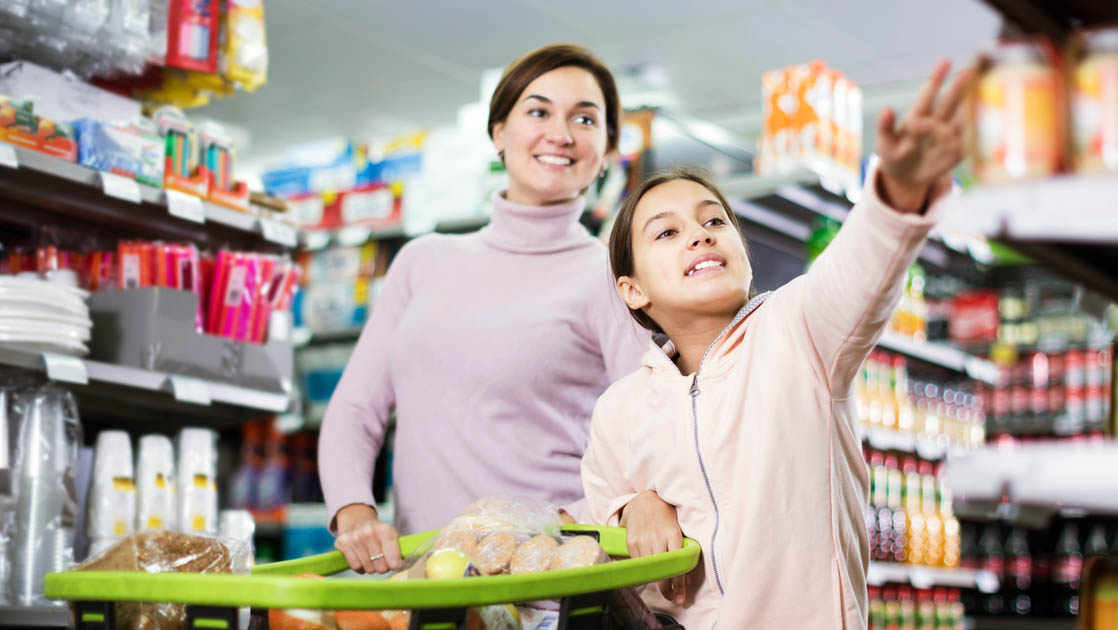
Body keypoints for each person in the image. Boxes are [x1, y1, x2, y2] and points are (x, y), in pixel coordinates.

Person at [581, 61, 971, 628]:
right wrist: (631, 506)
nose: (699, 233)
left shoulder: (802, 331)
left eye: (714, 220)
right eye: (666, 232)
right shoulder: (618, 411)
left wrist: (897, 195)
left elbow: (860, 268)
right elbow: (602, 525)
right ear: (632, 289)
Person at [319, 43, 647, 574]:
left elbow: (653, 439)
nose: (560, 134)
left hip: (541, 587)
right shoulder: (422, 261)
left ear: (607, 148)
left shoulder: (613, 276)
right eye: (538, 111)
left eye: (585, 118)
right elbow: (357, 409)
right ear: (499, 131)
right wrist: (353, 512)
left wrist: (562, 525)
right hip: (421, 581)